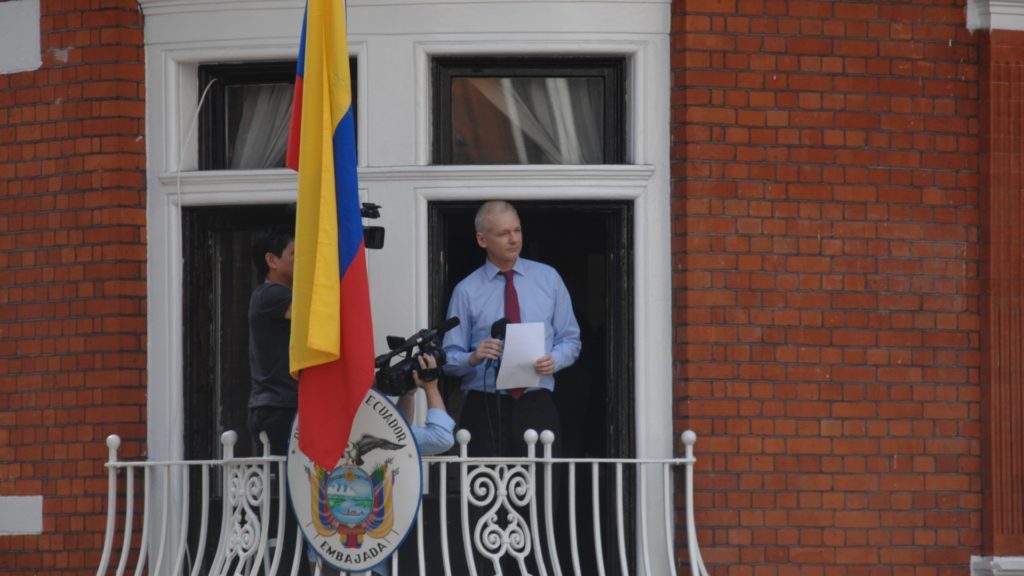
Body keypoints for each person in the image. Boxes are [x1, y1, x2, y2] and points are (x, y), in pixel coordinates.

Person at [442, 200, 582, 459]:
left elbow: (571, 340)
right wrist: (473, 357)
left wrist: (555, 359)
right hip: (483, 403)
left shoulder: (548, 279)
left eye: (517, 230)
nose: (513, 239)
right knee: (485, 492)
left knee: (542, 489)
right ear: (482, 240)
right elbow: (448, 358)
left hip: (536, 400)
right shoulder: (466, 290)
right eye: (503, 233)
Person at [246, 224, 310, 576]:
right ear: (271, 260)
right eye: (296, 256)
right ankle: (288, 565)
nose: (304, 263)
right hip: (278, 409)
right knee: (288, 498)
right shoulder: (271, 295)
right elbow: (315, 314)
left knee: (298, 491)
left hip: (287, 406)